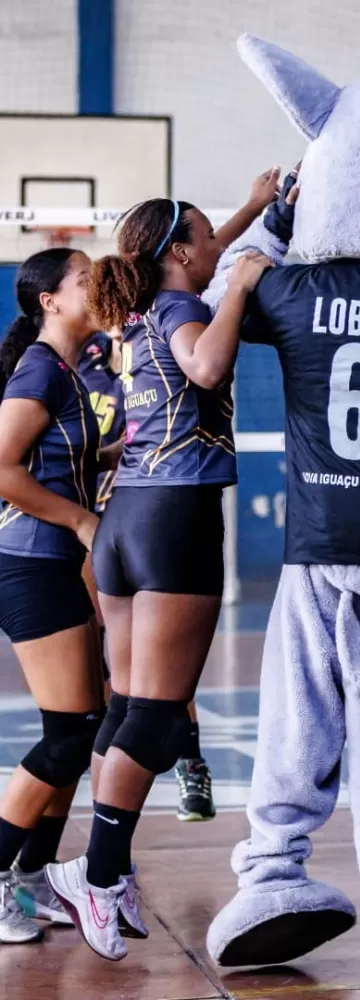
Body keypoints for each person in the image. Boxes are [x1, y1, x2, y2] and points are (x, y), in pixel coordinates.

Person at [44, 174, 278, 961]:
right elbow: (206, 368)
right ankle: (102, 870)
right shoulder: (183, 308)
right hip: (174, 518)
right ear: (180, 251)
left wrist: (252, 211)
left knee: (128, 707)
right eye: (209, 237)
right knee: (159, 710)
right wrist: (241, 287)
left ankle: (99, 871)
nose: (221, 248)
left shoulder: (136, 309)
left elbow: (197, 260)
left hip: (125, 519)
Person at [0, 249, 105, 944]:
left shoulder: (69, 369)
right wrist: (77, 518)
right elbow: (2, 467)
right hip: (31, 565)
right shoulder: (39, 367)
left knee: (79, 728)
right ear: (51, 301)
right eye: (86, 278)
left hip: (57, 566)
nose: (98, 285)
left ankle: (32, 875)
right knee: (73, 732)